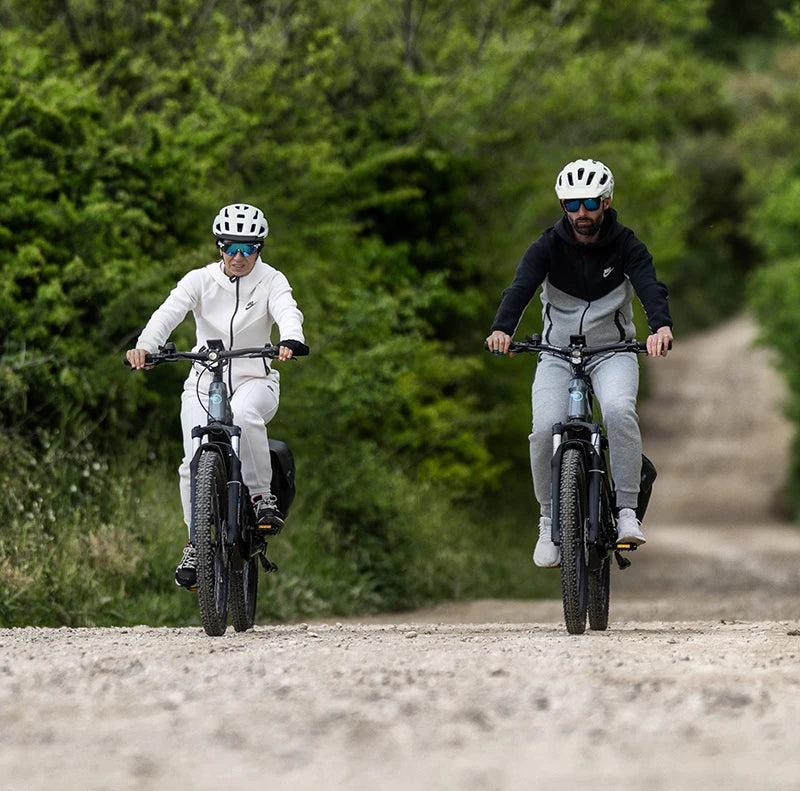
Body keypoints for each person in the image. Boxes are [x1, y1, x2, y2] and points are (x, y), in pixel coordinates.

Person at [485, 159, 673, 567]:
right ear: (563, 207)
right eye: (572, 204)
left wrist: (660, 326)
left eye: (589, 202)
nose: (581, 213)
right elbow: (519, 288)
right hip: (556, 354)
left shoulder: (626, 244)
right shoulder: (548, 245)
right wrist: (502, 329)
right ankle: (548, 519)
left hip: (612, 352)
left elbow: (649, 286)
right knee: (541, 430)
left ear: (605, 202)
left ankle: (625, 511)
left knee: (620, 411)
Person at [126, 203, 306, 588]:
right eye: (230, 247)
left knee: (242, 414)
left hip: (255, 376)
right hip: (204, 379)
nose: (238, 257)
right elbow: (168, 312)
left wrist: (291, 339)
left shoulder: (272, 280)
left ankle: (261, 499)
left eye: (247, 248)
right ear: (219, 246)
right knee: (192, 461)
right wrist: (145, 346)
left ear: (260, 248)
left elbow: (289, 310)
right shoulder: (199, 280)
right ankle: (195, 543)